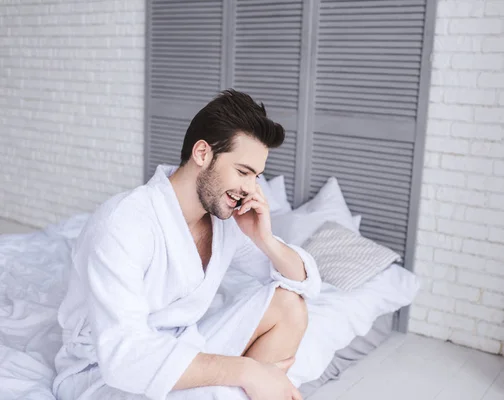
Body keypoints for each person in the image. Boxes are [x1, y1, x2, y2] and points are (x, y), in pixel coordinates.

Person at [52, 89, 321, 400]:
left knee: (289, 306)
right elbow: (122, 357)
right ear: (203, 153)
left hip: (181, 347)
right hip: (102, 373)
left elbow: (303, 284)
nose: (250, 189)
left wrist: (265, 239)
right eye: (243, 172)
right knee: (239, 385)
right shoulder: (124, 222)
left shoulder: (224, 223)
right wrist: (247, 371)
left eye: (257, 177)